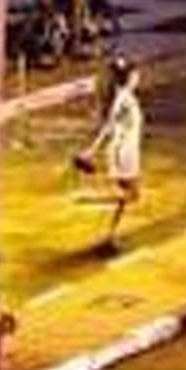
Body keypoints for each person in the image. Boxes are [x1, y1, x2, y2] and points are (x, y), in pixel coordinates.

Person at [75, 56, 144, 245]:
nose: (138, 78)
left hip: (127, 149)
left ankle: (110, 235)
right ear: (129, 76)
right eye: (136, 74)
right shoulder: (123, 98)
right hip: (124, 152)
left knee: (126, 197)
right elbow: (109, 125)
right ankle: (88, 198)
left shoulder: (125, 96)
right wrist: (91, 150)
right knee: (132, 195)